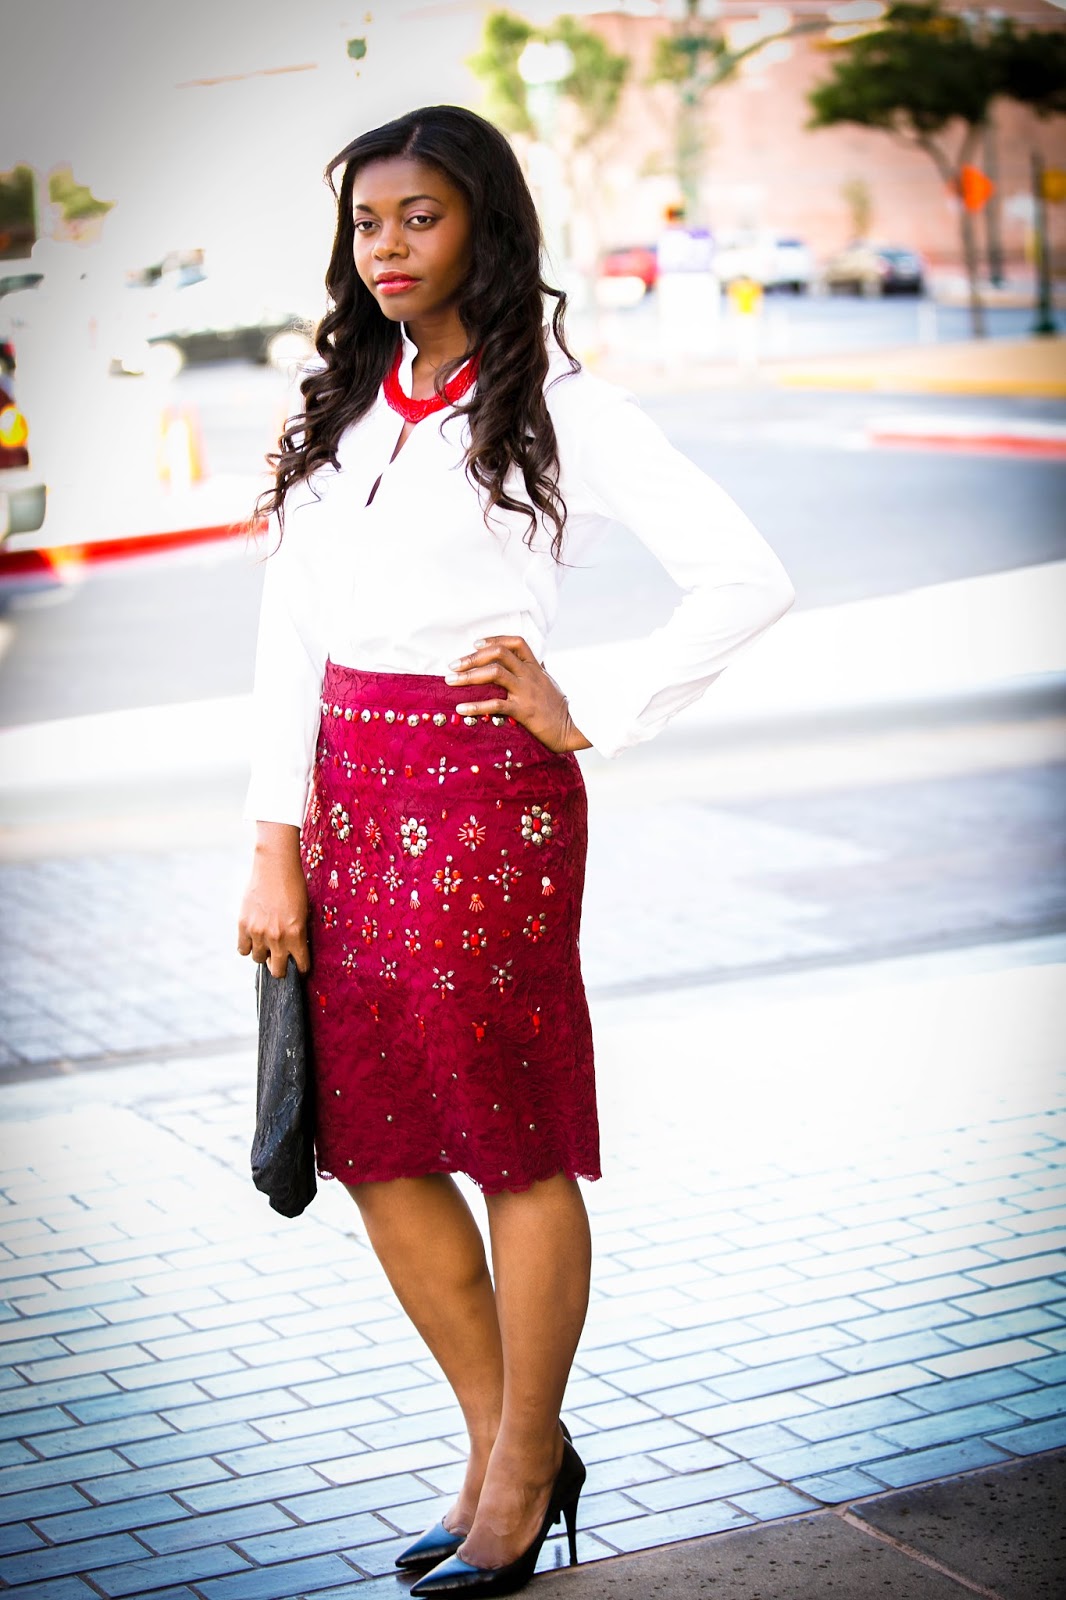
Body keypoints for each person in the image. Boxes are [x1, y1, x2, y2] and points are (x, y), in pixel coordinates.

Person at [237, 104, 795, 1598]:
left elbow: (746, 579)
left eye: (419, 217)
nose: (387, 247)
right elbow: (288, 641)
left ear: (485, 222)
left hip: (490, 801)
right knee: (372, 1144)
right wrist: (273, 841)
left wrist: (586, 704)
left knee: (510, 1139)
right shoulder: (344, 410)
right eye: (367, 223)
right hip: (349, 801)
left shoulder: (560, 406)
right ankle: (506, 1449)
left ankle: (519, 1470)